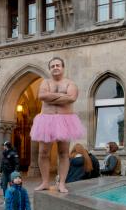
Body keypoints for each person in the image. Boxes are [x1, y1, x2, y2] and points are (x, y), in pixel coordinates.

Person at [31, 57, 86, 193]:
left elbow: (72, 98)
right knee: (43, 153)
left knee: (63, 153)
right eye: (52, 66)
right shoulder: (45, 82)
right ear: (50, 69)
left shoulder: (70, 83)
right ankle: (44, 182)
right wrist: (62, 97)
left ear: (63, 67)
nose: (55, 67)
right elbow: (42, 96)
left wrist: (51, 96)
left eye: (58, 65)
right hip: (46, 120)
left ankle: (62, 183)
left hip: (65, 120)